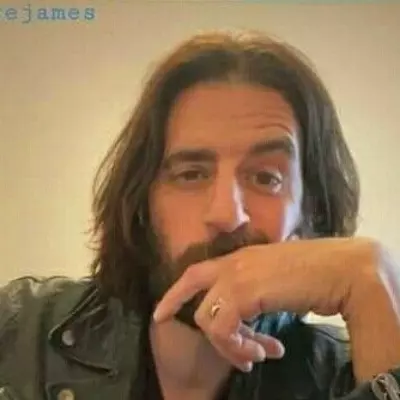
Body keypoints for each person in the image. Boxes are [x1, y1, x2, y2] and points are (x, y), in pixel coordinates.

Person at [1, 29, 399, 400]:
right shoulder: (18, 333)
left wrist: (371, 281)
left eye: (266, 177)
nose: (227, 215)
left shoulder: (348, 376)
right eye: (191, 174)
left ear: (309, 212)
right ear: (141, 204)